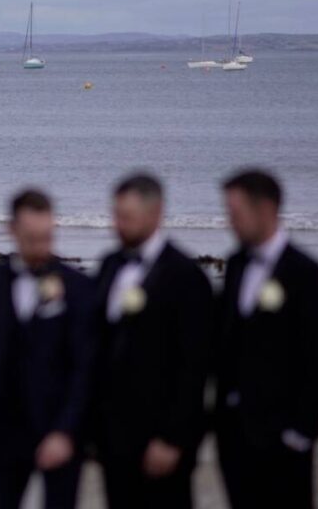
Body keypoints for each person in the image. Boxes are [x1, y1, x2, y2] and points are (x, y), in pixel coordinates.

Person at [0, 189, 94, 509]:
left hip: (58, 429)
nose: (41, 247)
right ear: (13, 230)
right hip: (3, 431)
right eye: (32, 238)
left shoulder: (77, 287)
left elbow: (86, 367)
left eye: (47, 237)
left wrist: (67, 431)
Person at [213, 169, 318, 509]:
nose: (229, 222)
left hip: (285, 436)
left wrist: (300, 432)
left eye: (235, 213)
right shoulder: (236, 264)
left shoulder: (306, 274)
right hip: (235, 434)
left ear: (265, 209)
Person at [92, 173, 213, 509]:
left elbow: (194, 366)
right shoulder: (108, 266)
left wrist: (173, 438)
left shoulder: (185, 276)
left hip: (161, 439)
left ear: (156, 213)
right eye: (116, 215)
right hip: (112, 440)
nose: (118, 224)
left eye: (127, 217)